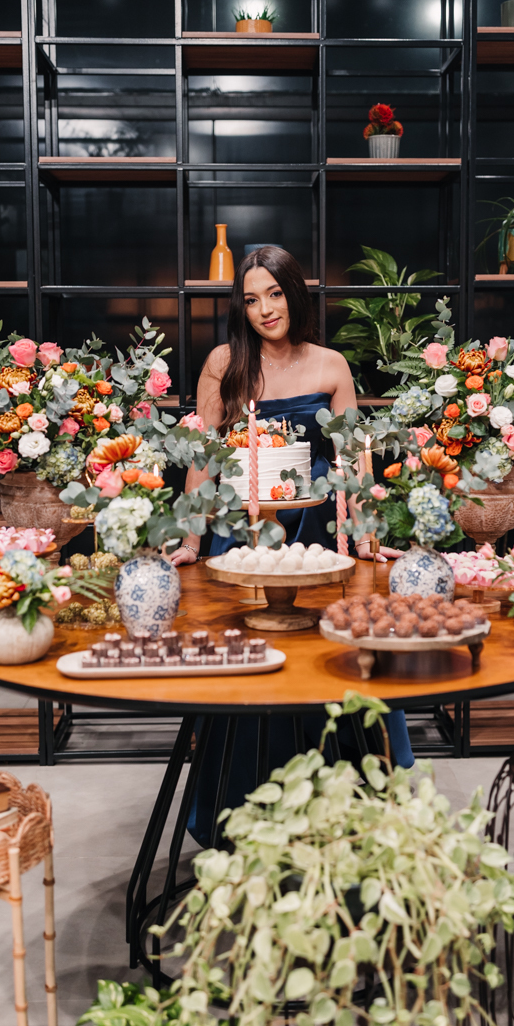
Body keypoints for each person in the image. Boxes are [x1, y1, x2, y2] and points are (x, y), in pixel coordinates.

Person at [169, 246, 413, 844]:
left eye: (274, 294)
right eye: (251, 299)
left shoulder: (330, 365)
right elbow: (202, 459)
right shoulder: (224, 364)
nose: (265, 310)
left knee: (325, 653)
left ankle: (346, 810)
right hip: (243, 533)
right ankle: (243, 806)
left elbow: (354, 459)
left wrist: (367, 536)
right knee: (252, 653)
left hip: (317, 533)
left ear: (294, 293)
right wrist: (191, 538)